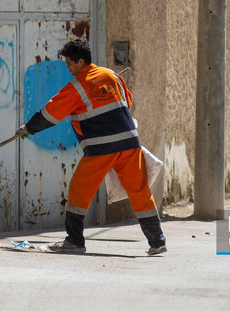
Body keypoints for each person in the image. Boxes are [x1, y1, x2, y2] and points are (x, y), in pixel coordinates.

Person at [17, 39, 167, 255]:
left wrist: (29, 128)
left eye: (69, 64)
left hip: (101, 147)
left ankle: (75, 241)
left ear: (80, 61)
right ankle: (157, 241)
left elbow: (52, 111)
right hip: (129, 143)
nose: (68, 69)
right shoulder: (111, 76)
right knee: (140, 191)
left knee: (79, 190)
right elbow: (128, 101)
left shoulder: (78, 85)